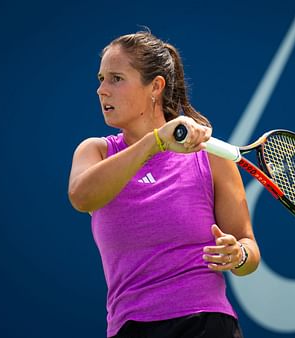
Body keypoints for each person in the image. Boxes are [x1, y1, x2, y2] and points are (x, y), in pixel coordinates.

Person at [68, 30, 260, 338]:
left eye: (116, 78)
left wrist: (237, 255)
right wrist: (155, 142)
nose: (101, 90)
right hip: (131, 328)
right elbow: (82, 198)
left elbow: (249, 249)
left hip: (207, 324)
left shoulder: (211, 157)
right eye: (101, 78)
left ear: (155, 87)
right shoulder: (96, 152)